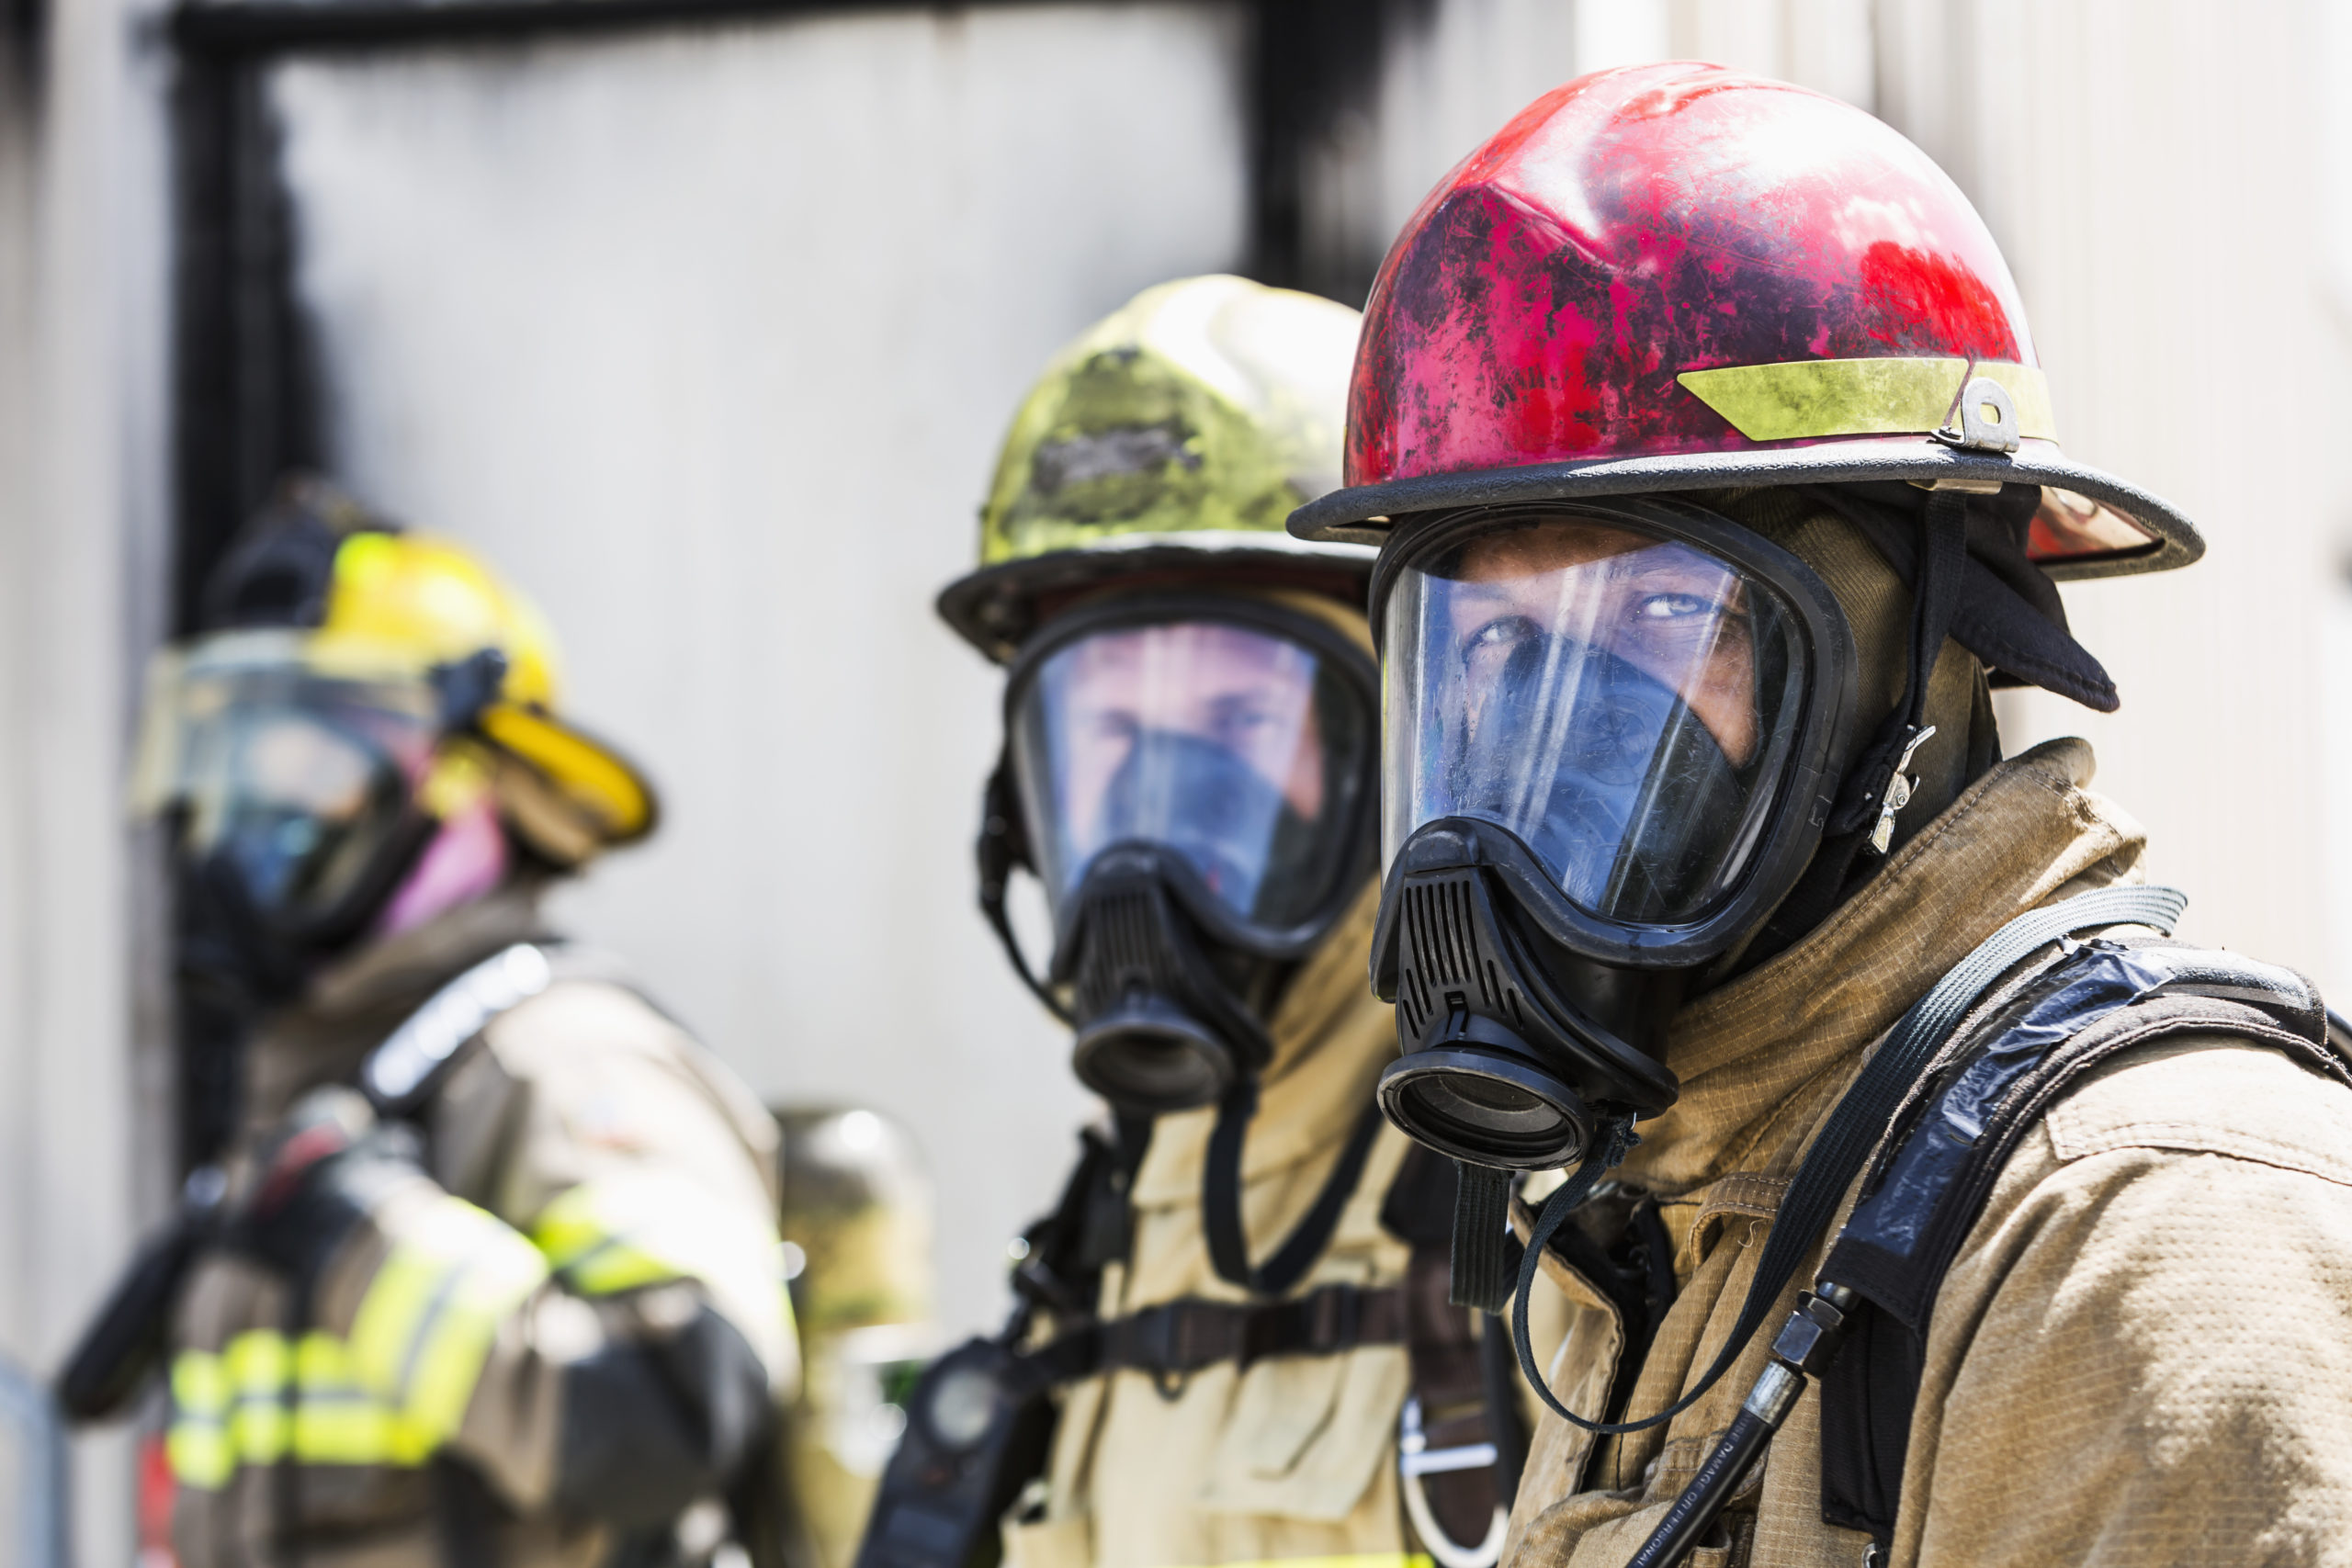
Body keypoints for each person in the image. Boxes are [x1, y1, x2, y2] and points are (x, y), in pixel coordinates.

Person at [1285, 63, 2352, 1568]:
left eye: (1663, 613)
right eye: (1493, 643)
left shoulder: (2143, 1247)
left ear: (1916, 671)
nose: (1552, 737)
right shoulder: (1659, 1224)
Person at [880, 275, 1544, 1568]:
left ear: (1413, 739)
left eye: (1239, 724)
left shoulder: (1545, 1208)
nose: (1152, 826)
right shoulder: (1120, 1222)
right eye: (1112, 733)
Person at [110, 478, 798, 1568]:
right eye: (239, 771)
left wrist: (363, 1241)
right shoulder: (322, 1097)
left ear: (473, 797)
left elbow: (679, 1416)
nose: (253, 830)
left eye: (314, 773)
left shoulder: (559, 1060)